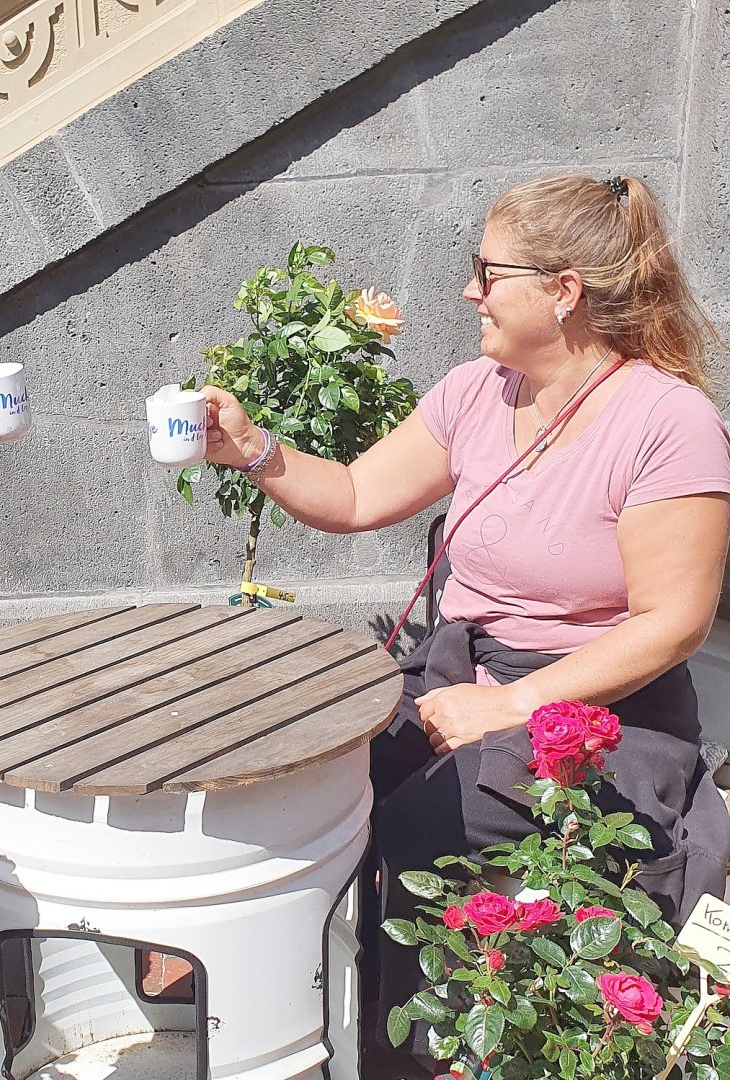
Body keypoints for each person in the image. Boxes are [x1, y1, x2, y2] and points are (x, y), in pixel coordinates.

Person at [201, 174, 730, 1076]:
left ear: (563, 292)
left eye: (487, 271)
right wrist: (252, 447)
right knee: (312, 784)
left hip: (605, 714)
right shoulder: (477, 390)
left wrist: (512, 705)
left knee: (416, 830)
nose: (468, 291)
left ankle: (403, 1057)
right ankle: (307, 1025)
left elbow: (673, 625)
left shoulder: (667, 422)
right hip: (467, 675)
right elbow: (361, 492)